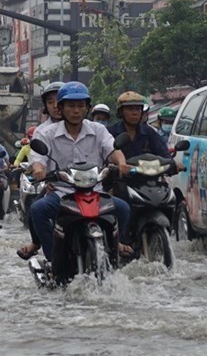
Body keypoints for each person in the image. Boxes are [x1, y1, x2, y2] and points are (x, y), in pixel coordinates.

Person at [16, 81, 131, 262]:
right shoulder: (45, 133)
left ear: (87, 108)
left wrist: (122, 162)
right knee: (37, 210)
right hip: (62, 193)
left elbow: (112, 149)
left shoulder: (98, 130)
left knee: (123, 208)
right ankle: (53, 258)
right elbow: (38, 159)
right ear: (60, 108)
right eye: (71, 106)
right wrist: (39, 170)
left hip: (96, 192)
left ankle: (116, 245)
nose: (76, 111)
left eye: (80, 106)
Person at [107, 91, 171, 160]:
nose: (135, 113)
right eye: (130, 109)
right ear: (121, 112)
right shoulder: (110, 133)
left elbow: (164, 153)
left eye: (138, 109)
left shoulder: (149, 132)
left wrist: (173, 164)